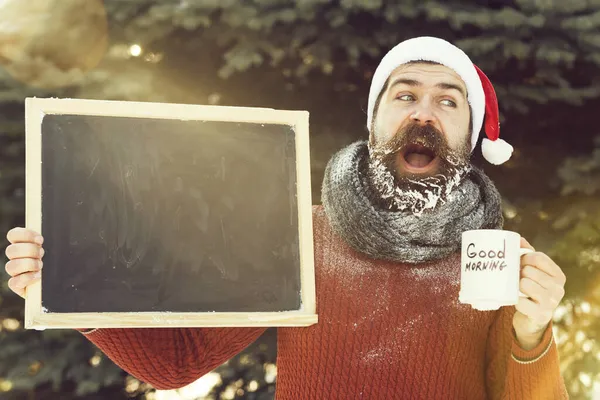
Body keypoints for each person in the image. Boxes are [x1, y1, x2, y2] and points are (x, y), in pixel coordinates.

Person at [4, 36, 568, 399]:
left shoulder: (499, 262)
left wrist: (531, 330)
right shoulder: (299, 237)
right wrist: (64, 281)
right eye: (405, 95)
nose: (424, 113)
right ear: (374, 121)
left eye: (449, 101)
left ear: (471, 136)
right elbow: (175, 364)